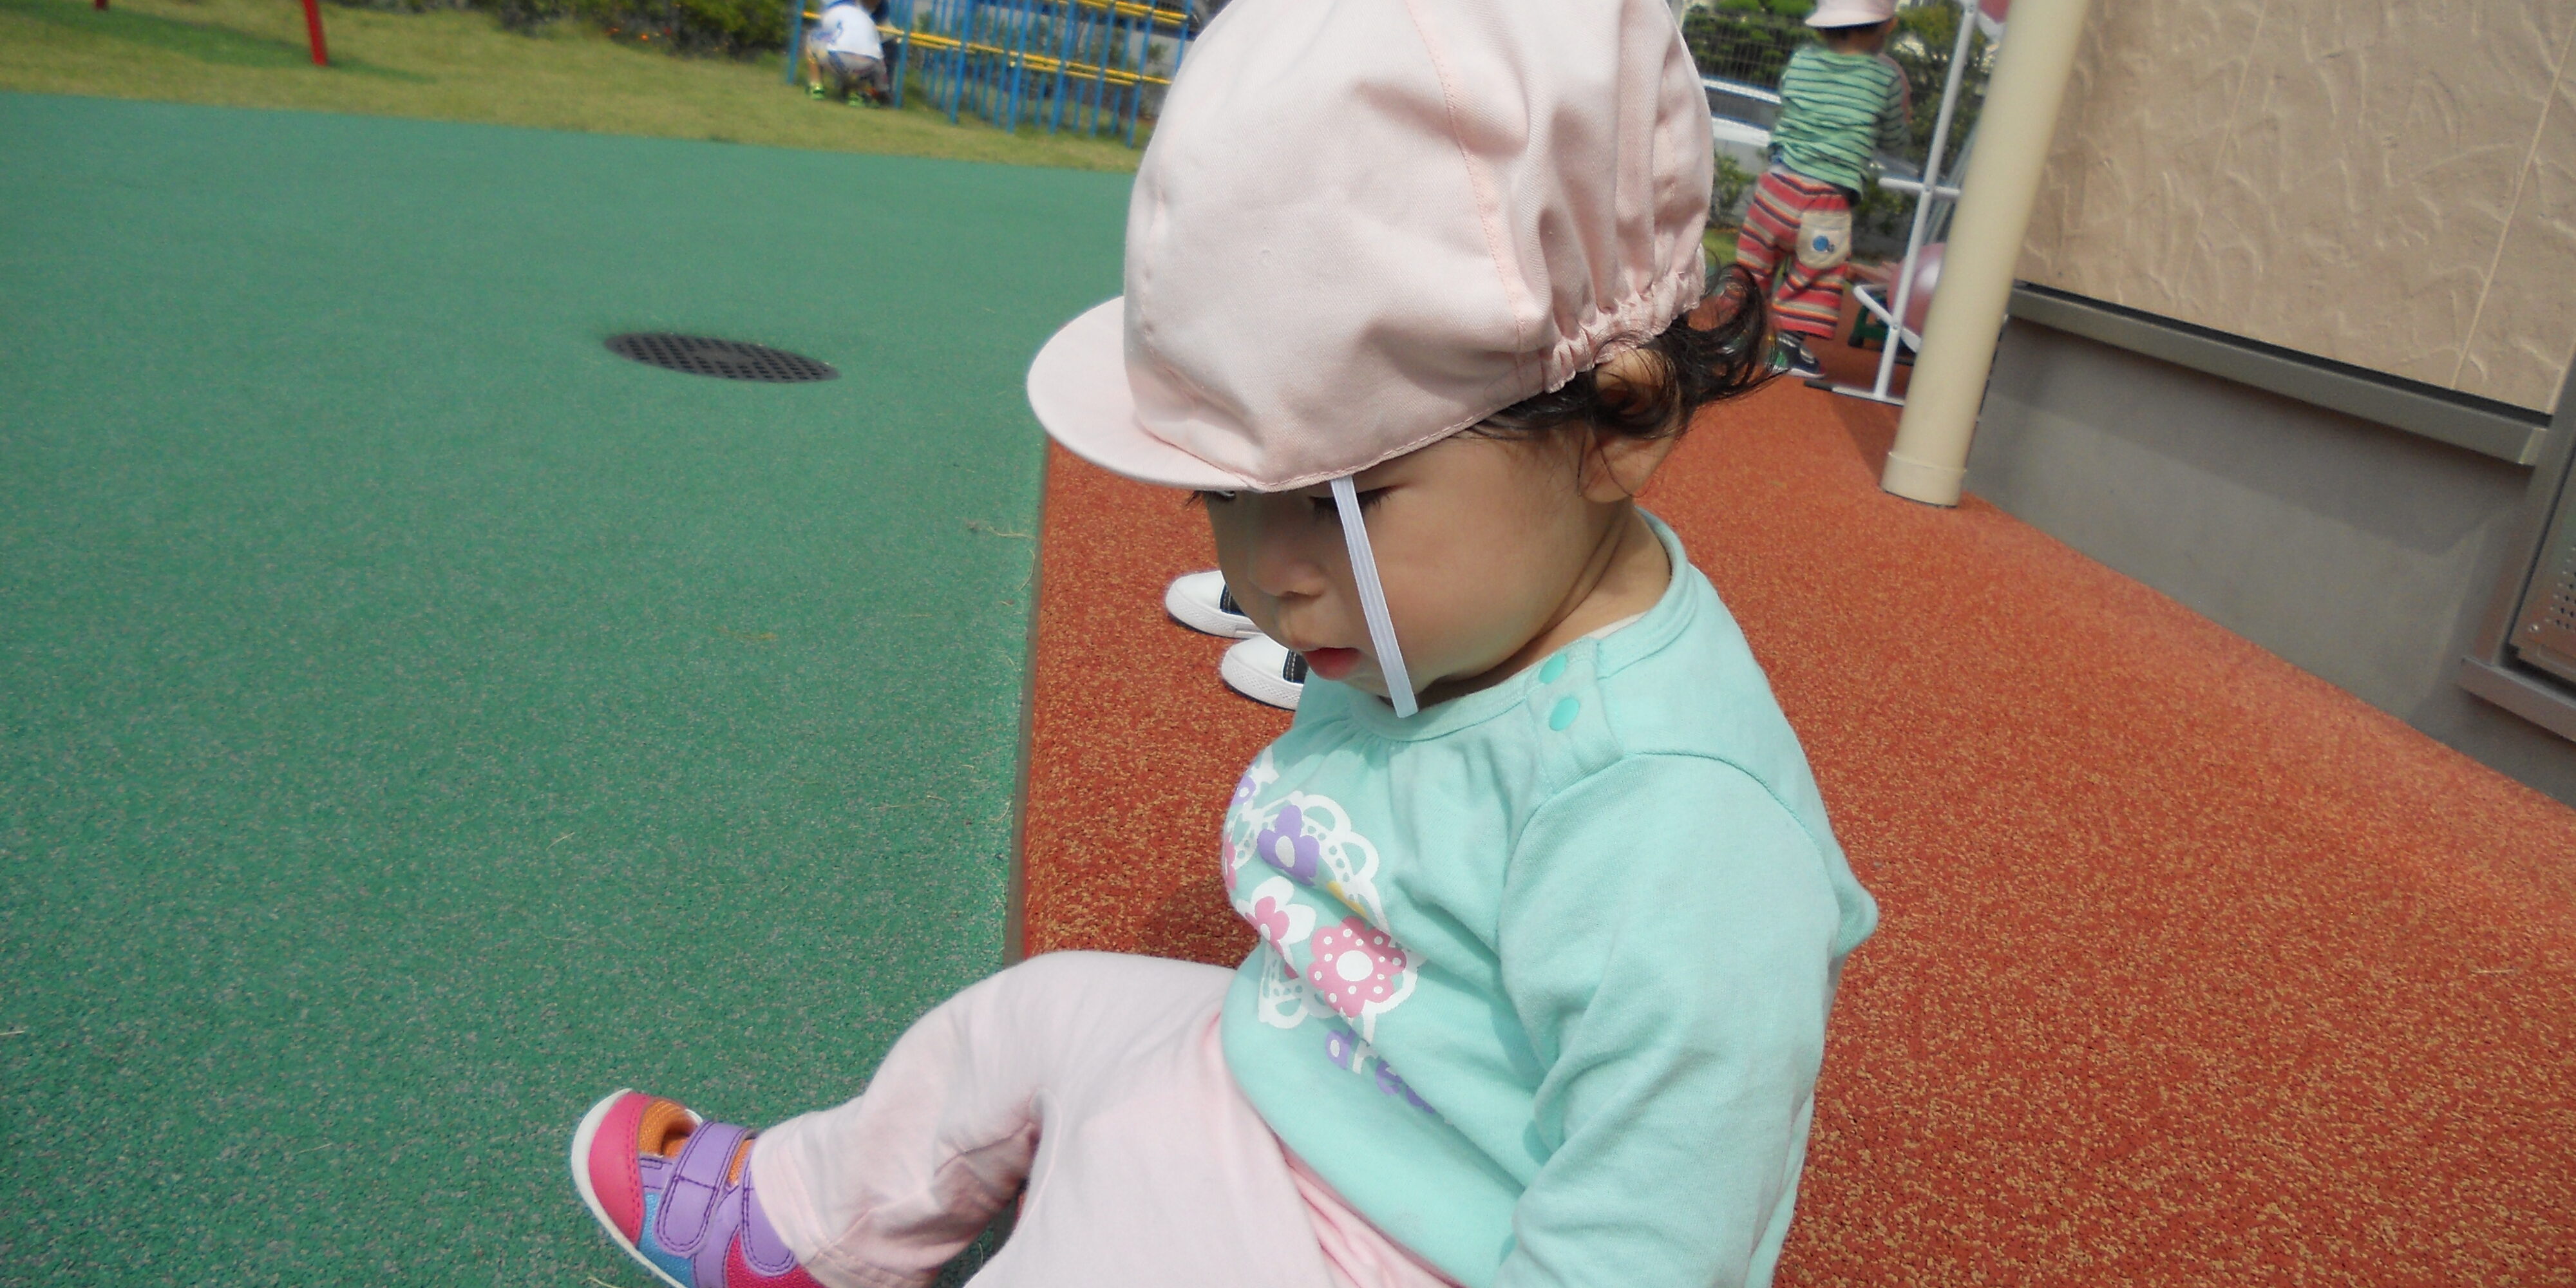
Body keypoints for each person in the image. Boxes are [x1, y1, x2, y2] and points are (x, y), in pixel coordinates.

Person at [565, 3, 1879, 1287]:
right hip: (1290, 1070)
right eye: (1225, 495)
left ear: (1618, 423)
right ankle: (807, 1222)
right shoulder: (1477, 610)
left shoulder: (1672, 818)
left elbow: (1651, 1230)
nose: (1267, 576)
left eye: (1342, 501)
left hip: (1399, 1237)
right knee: (1035, 1011)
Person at [1734, 0, 1911, 377]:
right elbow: (1896, 141)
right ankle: (1786, 346)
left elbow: (1788, 98)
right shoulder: (1886, 78)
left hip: (1776, 187)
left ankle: (1737, 333)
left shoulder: (1801, 60)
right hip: (1827, 199)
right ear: (1888, 26)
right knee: (1817, 273)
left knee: (1755, 262)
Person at [802, 0, 889, 106]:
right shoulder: (868, 20)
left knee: (813, 38)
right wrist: (882, 88)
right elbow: (879, 57)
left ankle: (816, 87)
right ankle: (855, 94)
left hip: (841, 62)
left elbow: (827, 37)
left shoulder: (832, 13)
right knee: (863, 56)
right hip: (867, 68)